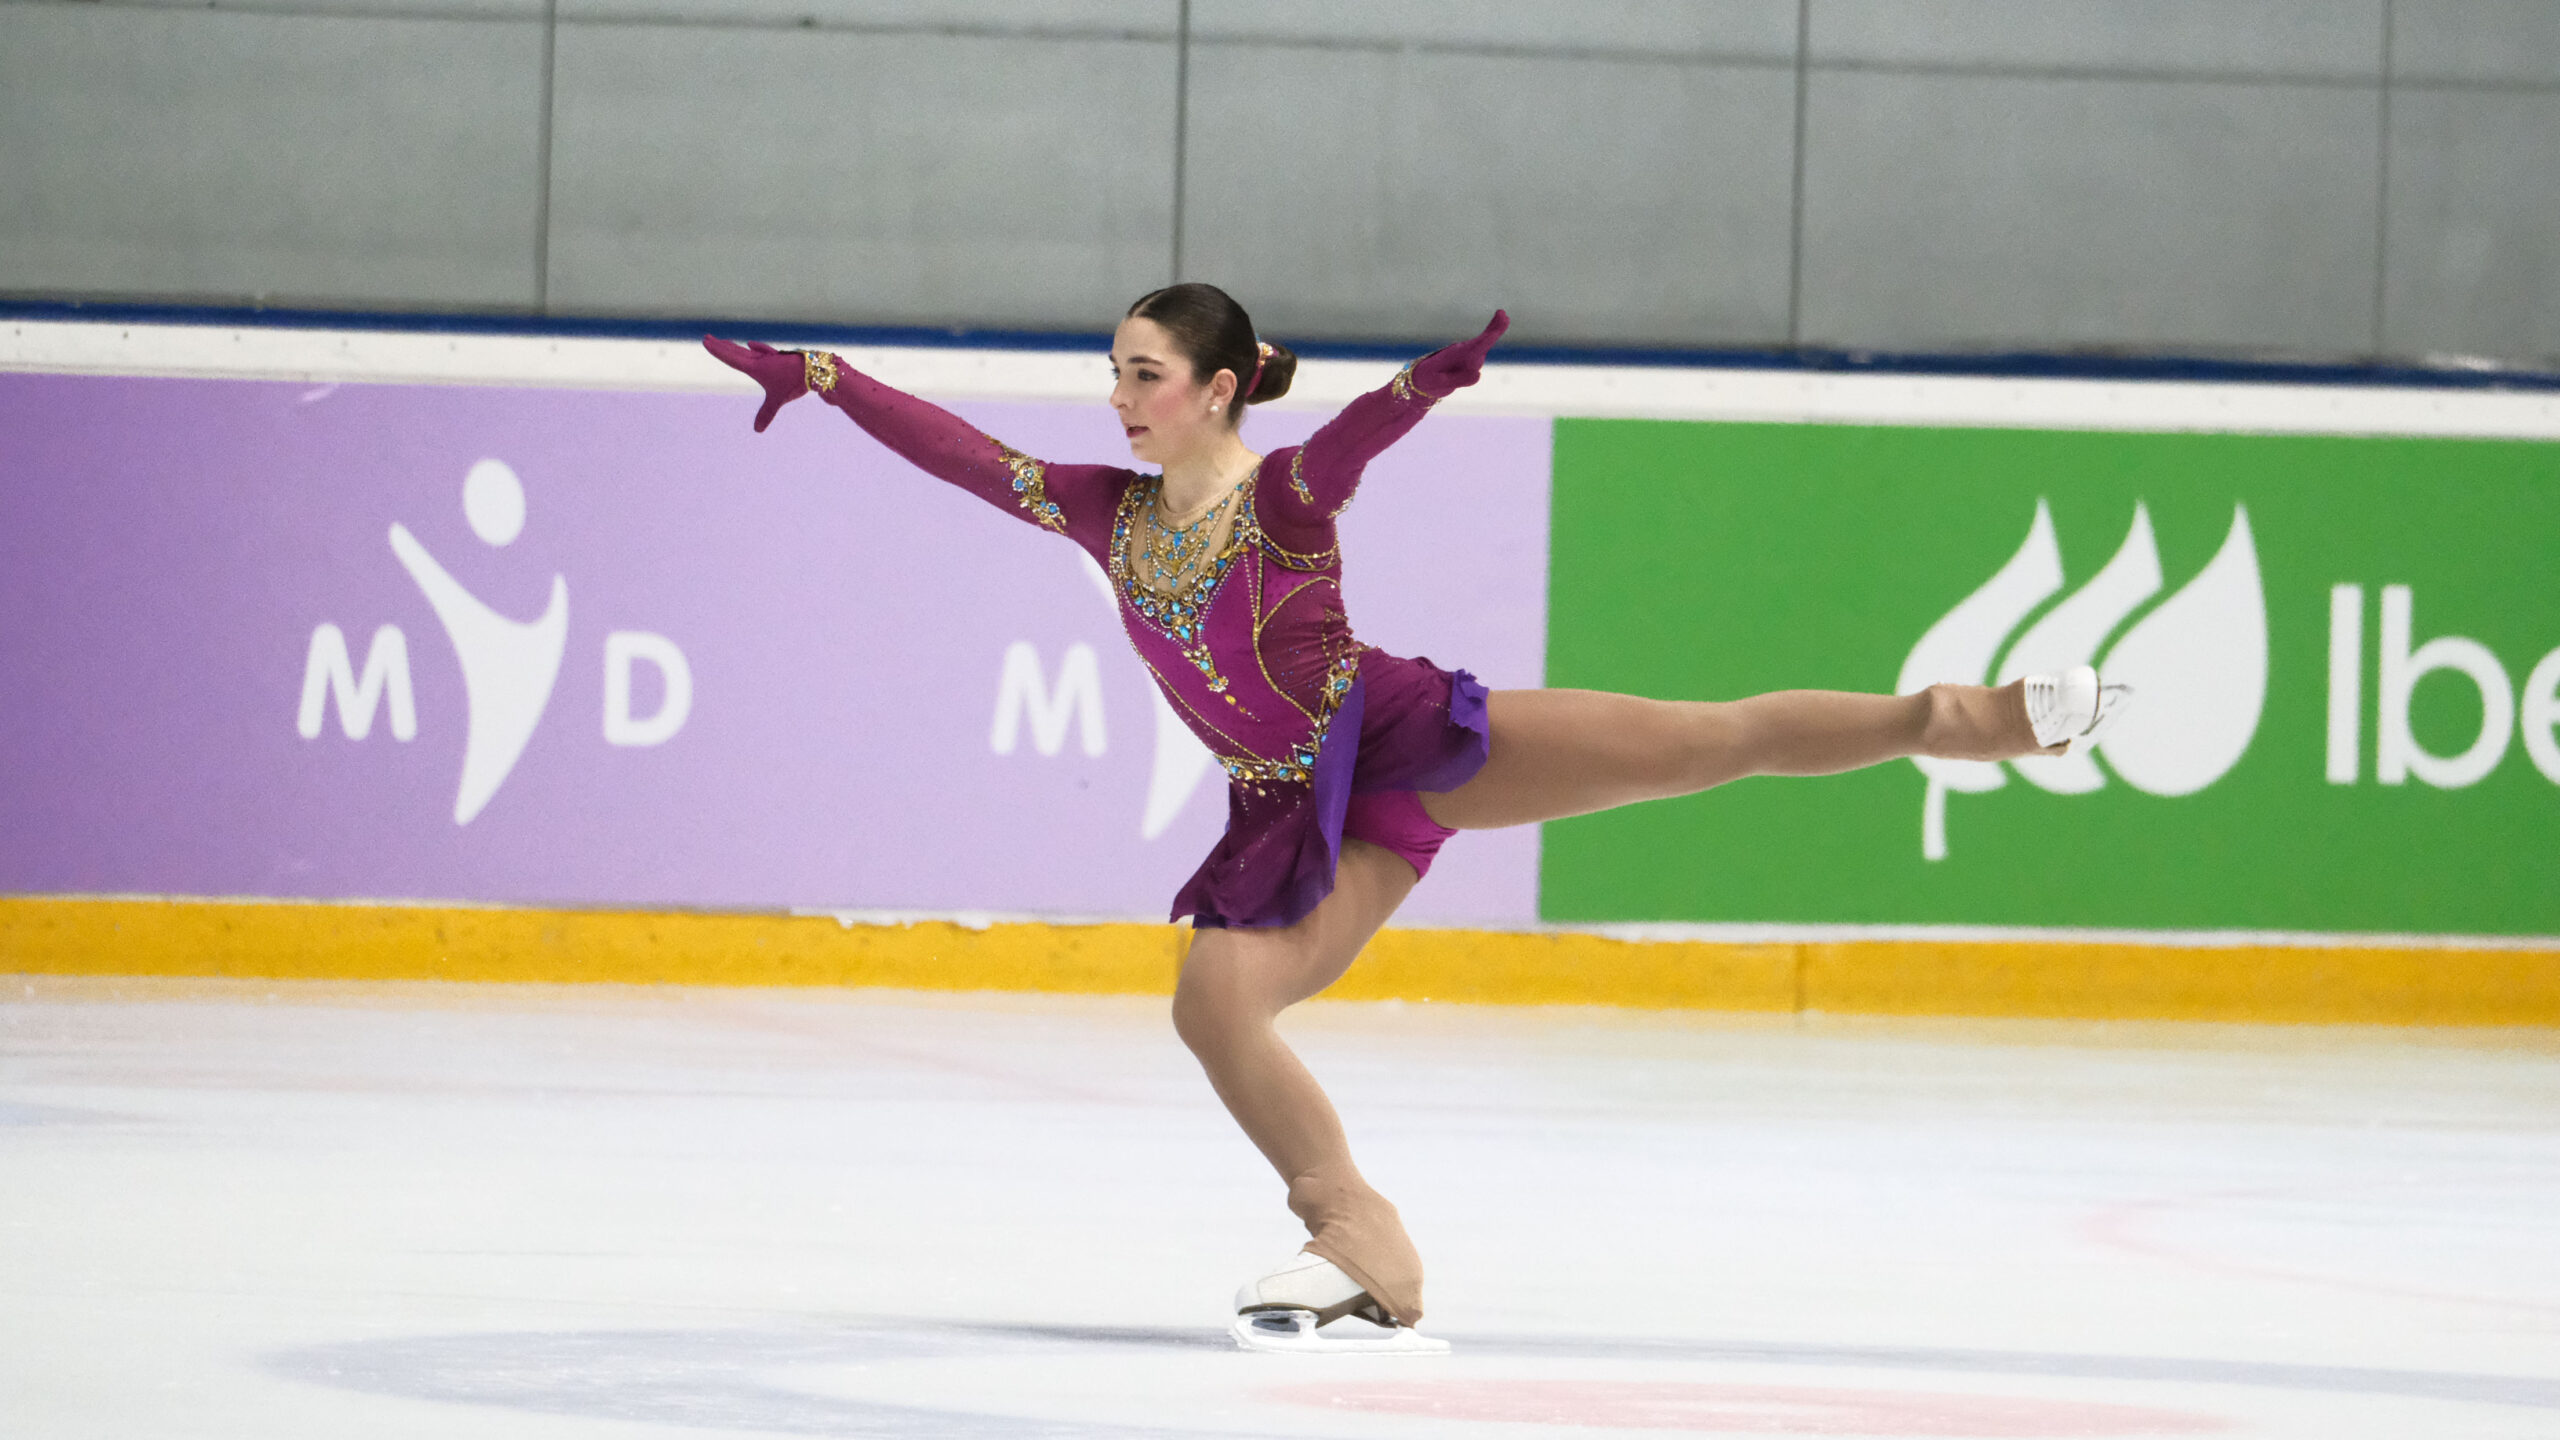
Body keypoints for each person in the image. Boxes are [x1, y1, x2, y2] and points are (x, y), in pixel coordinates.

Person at [704, 284, 2126, 1354]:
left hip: (1401, 738)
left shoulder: (1284, 501)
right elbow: (966, 457)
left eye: (1144, 374)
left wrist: (1416, 388)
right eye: (1116, 373)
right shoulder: (1107, 514)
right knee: (1215, 1001)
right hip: (1294, 809)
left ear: (1216, 388)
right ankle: (1360, 1243)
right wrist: (826, 377)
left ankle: (1962, 718)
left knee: (1701, 743)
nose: (1119, 398)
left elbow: (1348, 448)